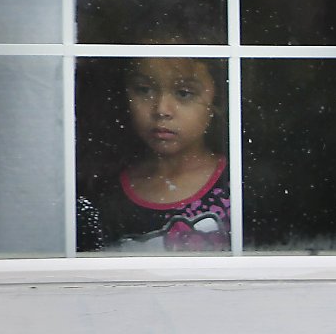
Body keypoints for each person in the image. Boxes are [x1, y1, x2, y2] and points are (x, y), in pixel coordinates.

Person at [76, 54, 231, 252]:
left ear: (217, 100)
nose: (161, 109)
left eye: (184, 93)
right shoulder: (103, 194)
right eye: (144, 90)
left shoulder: (240, 186)